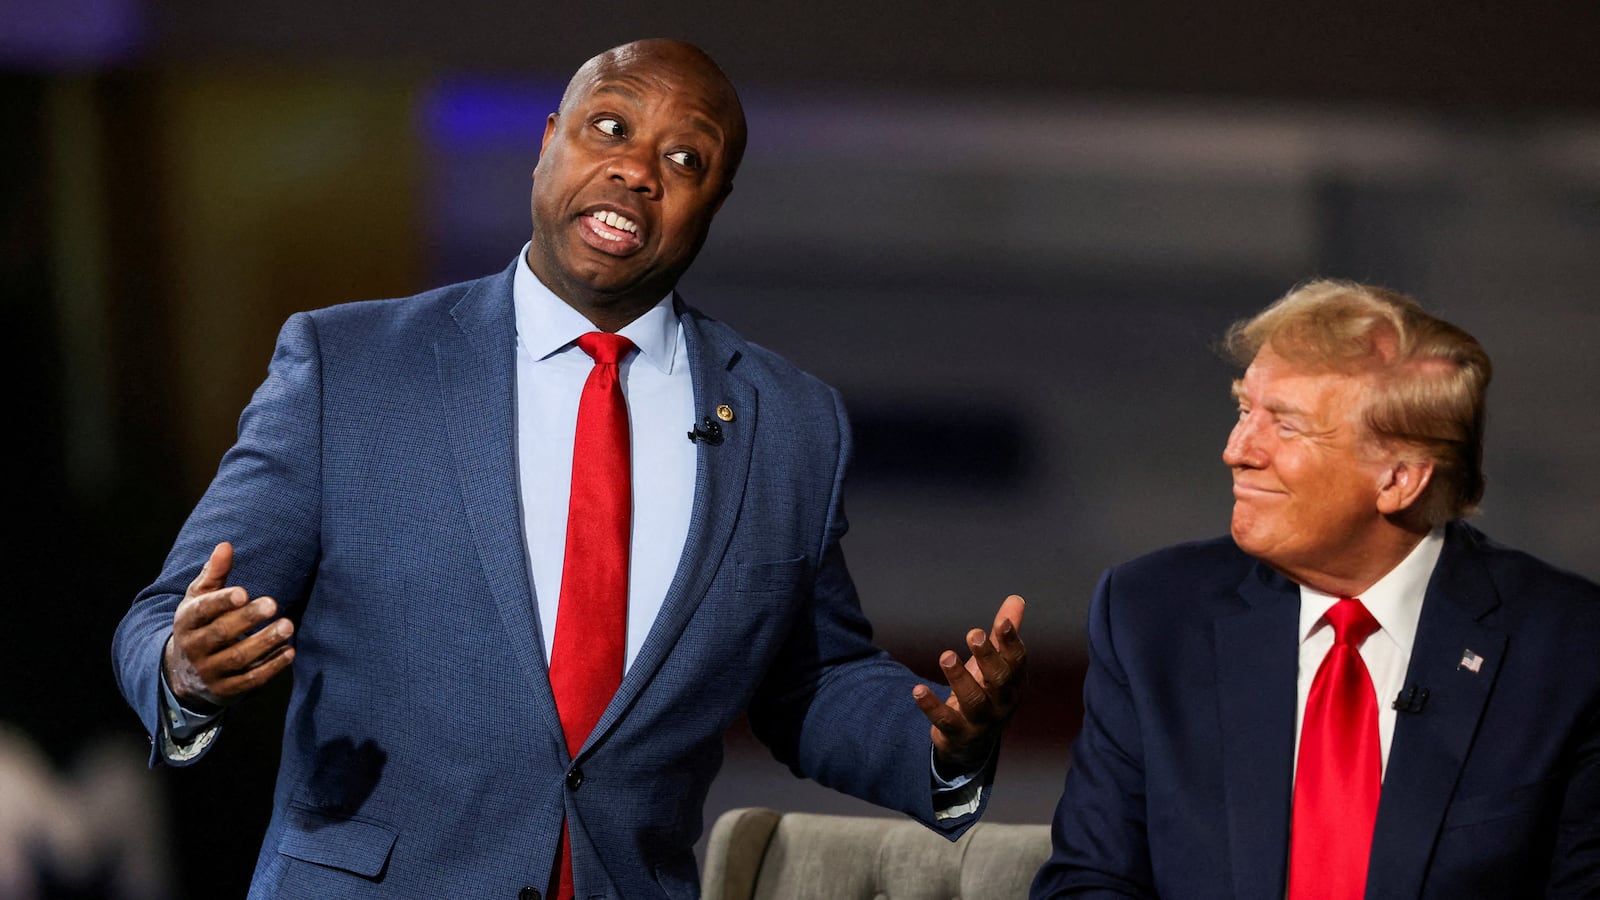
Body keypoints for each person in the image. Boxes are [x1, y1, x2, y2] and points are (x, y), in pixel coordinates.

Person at [112, 38, 1026, 900]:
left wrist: (942, 739)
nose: (637, 170)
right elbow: (164, 619)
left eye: (684, 159)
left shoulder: (788, 424)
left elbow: (812, 681)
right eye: (612, 127)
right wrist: (185, 672)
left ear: (715, 199)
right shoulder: (350, 367)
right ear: (548, 143)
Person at [1031, 280, 1599, 898]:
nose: (1236, 451)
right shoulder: (1151, 617)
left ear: (1399, 479)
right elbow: (1091, 881)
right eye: (1244, 410)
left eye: (1287, 426)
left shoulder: (1569, 649)